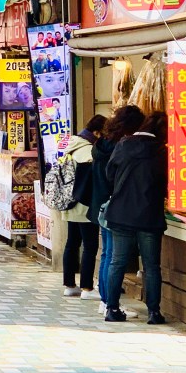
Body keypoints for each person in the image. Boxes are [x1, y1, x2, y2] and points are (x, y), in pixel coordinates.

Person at [103, 111, 169, 325]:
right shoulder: (162, 151)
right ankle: (154, 312)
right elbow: (166, 183)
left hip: (121, 213)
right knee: (151, 266)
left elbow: (109, 175)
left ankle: (112, 309)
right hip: (150, 215)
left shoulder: (123, 145)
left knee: (117, 262)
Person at [92, 105, 145, 317]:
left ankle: (105, 300)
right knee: (113, 255)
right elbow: (114, 177)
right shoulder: (120, 146)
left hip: (102, 203)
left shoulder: (102, 143)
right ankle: (109, 303)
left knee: (107, 254)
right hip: (114, 205)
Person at [61, 115, 108, 300]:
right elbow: (91, 181)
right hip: (84, 203)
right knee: (90, 245)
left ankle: (69, 285)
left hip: (70, 202)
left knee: (72, 243)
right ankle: (87, 288)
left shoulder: (72, 145)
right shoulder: (88, 151)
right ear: (96, 132)